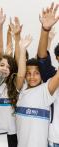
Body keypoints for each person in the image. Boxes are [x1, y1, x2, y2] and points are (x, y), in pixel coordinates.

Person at [36, 2, 59, 147]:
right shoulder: (52, 76)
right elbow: (42, 57)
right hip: (56, 139)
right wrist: (45, 29)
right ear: (57, 58)